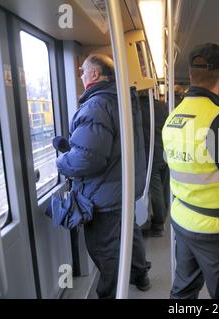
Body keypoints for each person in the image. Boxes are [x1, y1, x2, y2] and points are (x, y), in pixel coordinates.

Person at [162, 43, 219, 299]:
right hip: (215, 229)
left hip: (182, 218)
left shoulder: (173, 118)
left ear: (191, 76)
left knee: (183, 290)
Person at [56, 54, 151, 298]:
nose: (80, 75)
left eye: (82, 71)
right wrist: (72, 147)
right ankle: (140, 275)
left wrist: (62, 161)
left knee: (104, 251)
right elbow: (109, 146)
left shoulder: (96, 105)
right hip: (123, 186)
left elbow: (88, 159)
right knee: (129, 235)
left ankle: (108, 294)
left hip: (105, 196)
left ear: (95, 74)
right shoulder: (122, 100)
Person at [140, 93, 170, 237]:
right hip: (166, 151)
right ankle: (163, 217)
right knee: (164, 188)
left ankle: (158, 224)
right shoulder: (162, 106)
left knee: (156, 190)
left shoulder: (137, 108)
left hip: (151, 154)